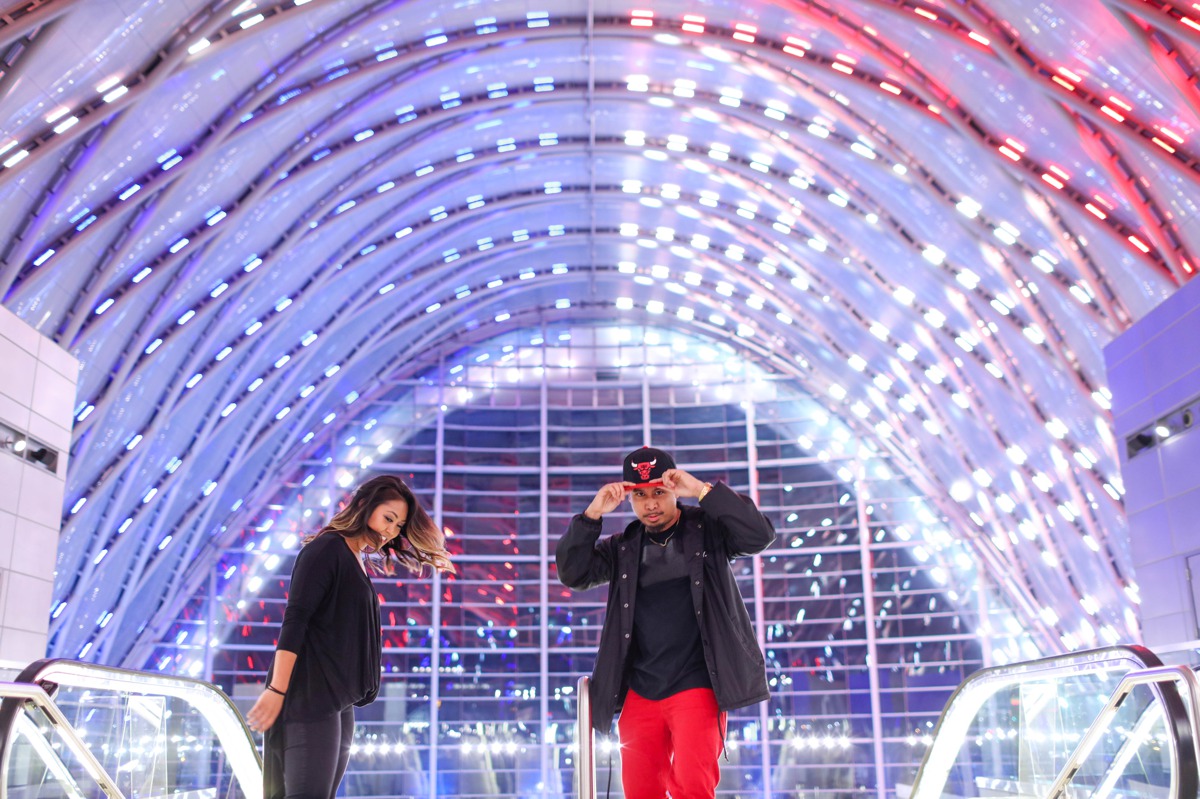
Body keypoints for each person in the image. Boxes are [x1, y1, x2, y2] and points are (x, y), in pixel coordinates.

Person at [556, 446, 775, 799]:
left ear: (674, 488)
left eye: (659, 492)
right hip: (641, 690)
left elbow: (758, 535)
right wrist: (592, 515)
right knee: (641, 790)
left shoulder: (709, 533)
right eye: (639, 495)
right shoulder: (623, 547)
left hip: (697, 684)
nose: (650, 504)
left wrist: (703, 490)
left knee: (692, 787)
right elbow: (574, 573)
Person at [246, 475, 455, 799]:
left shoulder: (353, 556)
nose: (392, 531)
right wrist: (276, 690)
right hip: (310, 695)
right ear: (362, 505)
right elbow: (296, 619)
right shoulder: (326, 549)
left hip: (336, 699)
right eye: (389, 518)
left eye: (399, 526)